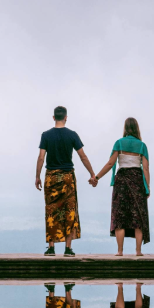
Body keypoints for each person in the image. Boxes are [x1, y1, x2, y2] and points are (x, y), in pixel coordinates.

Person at [36, 106, 96, 257]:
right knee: (70, 212)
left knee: (51, 210)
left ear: (53, 117)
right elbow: (83, 156)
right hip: (68, 177)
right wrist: (92, 173)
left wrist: (37, 176)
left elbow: (41, 158)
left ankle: (51, 248)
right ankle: (68, 248)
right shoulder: (72, 135)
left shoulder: (46, 135)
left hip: (51, 177)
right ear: (66, 117)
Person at [90, 117, 150, 256]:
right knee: (138, 217)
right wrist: (147, 187)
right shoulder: (142, 146)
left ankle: (120, 251)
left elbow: (110, 164)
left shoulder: (119, 143)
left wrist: (96, 177)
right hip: (137, 181)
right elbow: (146, 169)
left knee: (119, 216)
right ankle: (138, 251)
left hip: (121, 181)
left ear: (125, 128)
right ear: (137, 128)